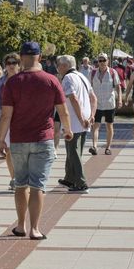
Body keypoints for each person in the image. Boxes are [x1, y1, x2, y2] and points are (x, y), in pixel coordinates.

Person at [0, 41, 72, 241]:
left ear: (21, 57)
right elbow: (63, 110)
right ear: (39, 57)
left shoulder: (12, 82)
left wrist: (0, 139)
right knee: (38, 185)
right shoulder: (51, 80)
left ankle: (20, 225)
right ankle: (35, 229)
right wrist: (68, 129)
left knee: (21, 184)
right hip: (43, 139)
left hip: (19, 140)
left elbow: (6, 115)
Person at [55, 55, 93, 193]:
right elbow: (93, 98)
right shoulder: (82, 76)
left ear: (65, 66)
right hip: (84, 121)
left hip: (75, 122)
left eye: (59, 65)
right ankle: (69, 178)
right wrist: (91, 116)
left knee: (74, 152)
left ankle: (81, 183)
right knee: (73, 151)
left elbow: (73, 99)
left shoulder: (68, 78)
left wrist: (81, 118)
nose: (58, 68)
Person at [0, 54, 20, 191]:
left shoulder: (23, 79)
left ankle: (21, 178)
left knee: (20, 151)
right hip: (6, 118)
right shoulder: (3, 80)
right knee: (9, 150)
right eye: (8, 62)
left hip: (21, 119)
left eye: (14, 62)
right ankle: (14, 178)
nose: (11, 65)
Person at [88, 54, 121, 156]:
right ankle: (94, 146)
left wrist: (119, 99)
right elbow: (89, 87)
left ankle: (108, 147)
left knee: (109, 125)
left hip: (109, 103)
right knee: (95, 125)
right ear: (98, 61)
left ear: (108, 61)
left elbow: (118, 87)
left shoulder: (112, 72)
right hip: (97, 104)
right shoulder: (93, 72)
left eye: (104, 60)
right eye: (100, 60)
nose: (102, 62)